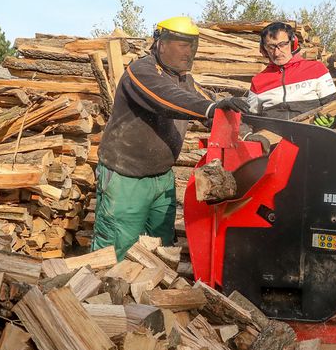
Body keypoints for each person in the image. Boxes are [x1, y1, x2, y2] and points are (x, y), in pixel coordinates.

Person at [92, 16, 252, 260]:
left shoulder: (185, 80)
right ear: (161, 43)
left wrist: (248, 130)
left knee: (161, 249)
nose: (188, 52)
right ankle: (101, 297)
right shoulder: (141, 72)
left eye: (192, 45)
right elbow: (167, 100)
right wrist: (211, 109)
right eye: (182, 44)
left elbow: (210, 107)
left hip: (161, 177)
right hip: (126, 176)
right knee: (116, 249)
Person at [247, 21, 336, 128]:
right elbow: (250, 121)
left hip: (313, 140)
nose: (277, 53)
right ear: (263, 49)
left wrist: (332, 122)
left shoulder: (317, 70)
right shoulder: (258, 81)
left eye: (282, 45)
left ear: (293, 43)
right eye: (271, 47)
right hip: (273, 142)